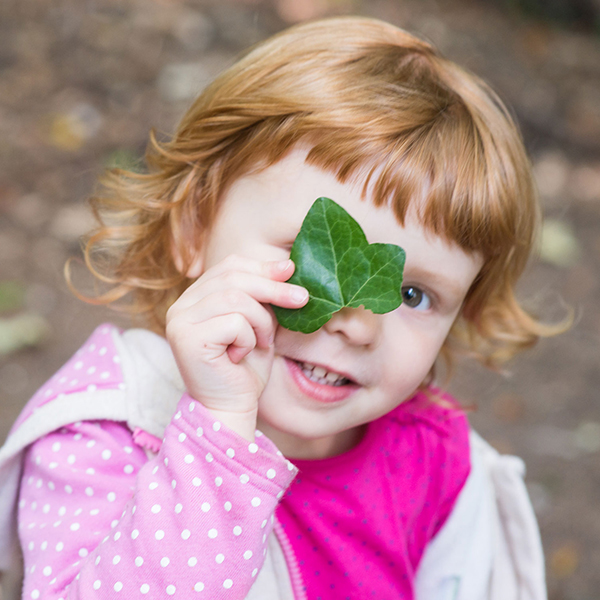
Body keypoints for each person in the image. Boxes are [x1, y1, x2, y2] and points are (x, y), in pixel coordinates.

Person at [0, 16, 565, 600]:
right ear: (194, 229)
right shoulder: (109, 430)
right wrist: (216, 435)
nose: (354, 320)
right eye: (310, 254)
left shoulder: (437, 465)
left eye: (411, 294)